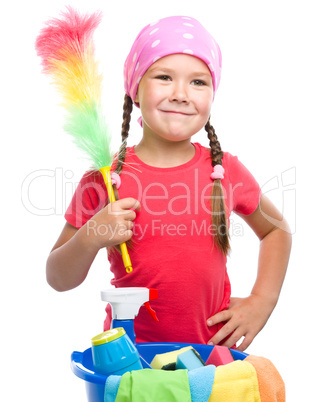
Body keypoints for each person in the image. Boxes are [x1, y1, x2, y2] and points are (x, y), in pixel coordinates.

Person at [46, 16, 291, 351]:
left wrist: (263, 299)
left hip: (211, 357)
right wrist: (91, 236)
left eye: (198, 82)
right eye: (164, 77)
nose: (180, 94)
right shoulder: (104, 178)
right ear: (135, 89)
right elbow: (58, 278)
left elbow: (276, 230)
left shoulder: (224, 170)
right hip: (129, 357)